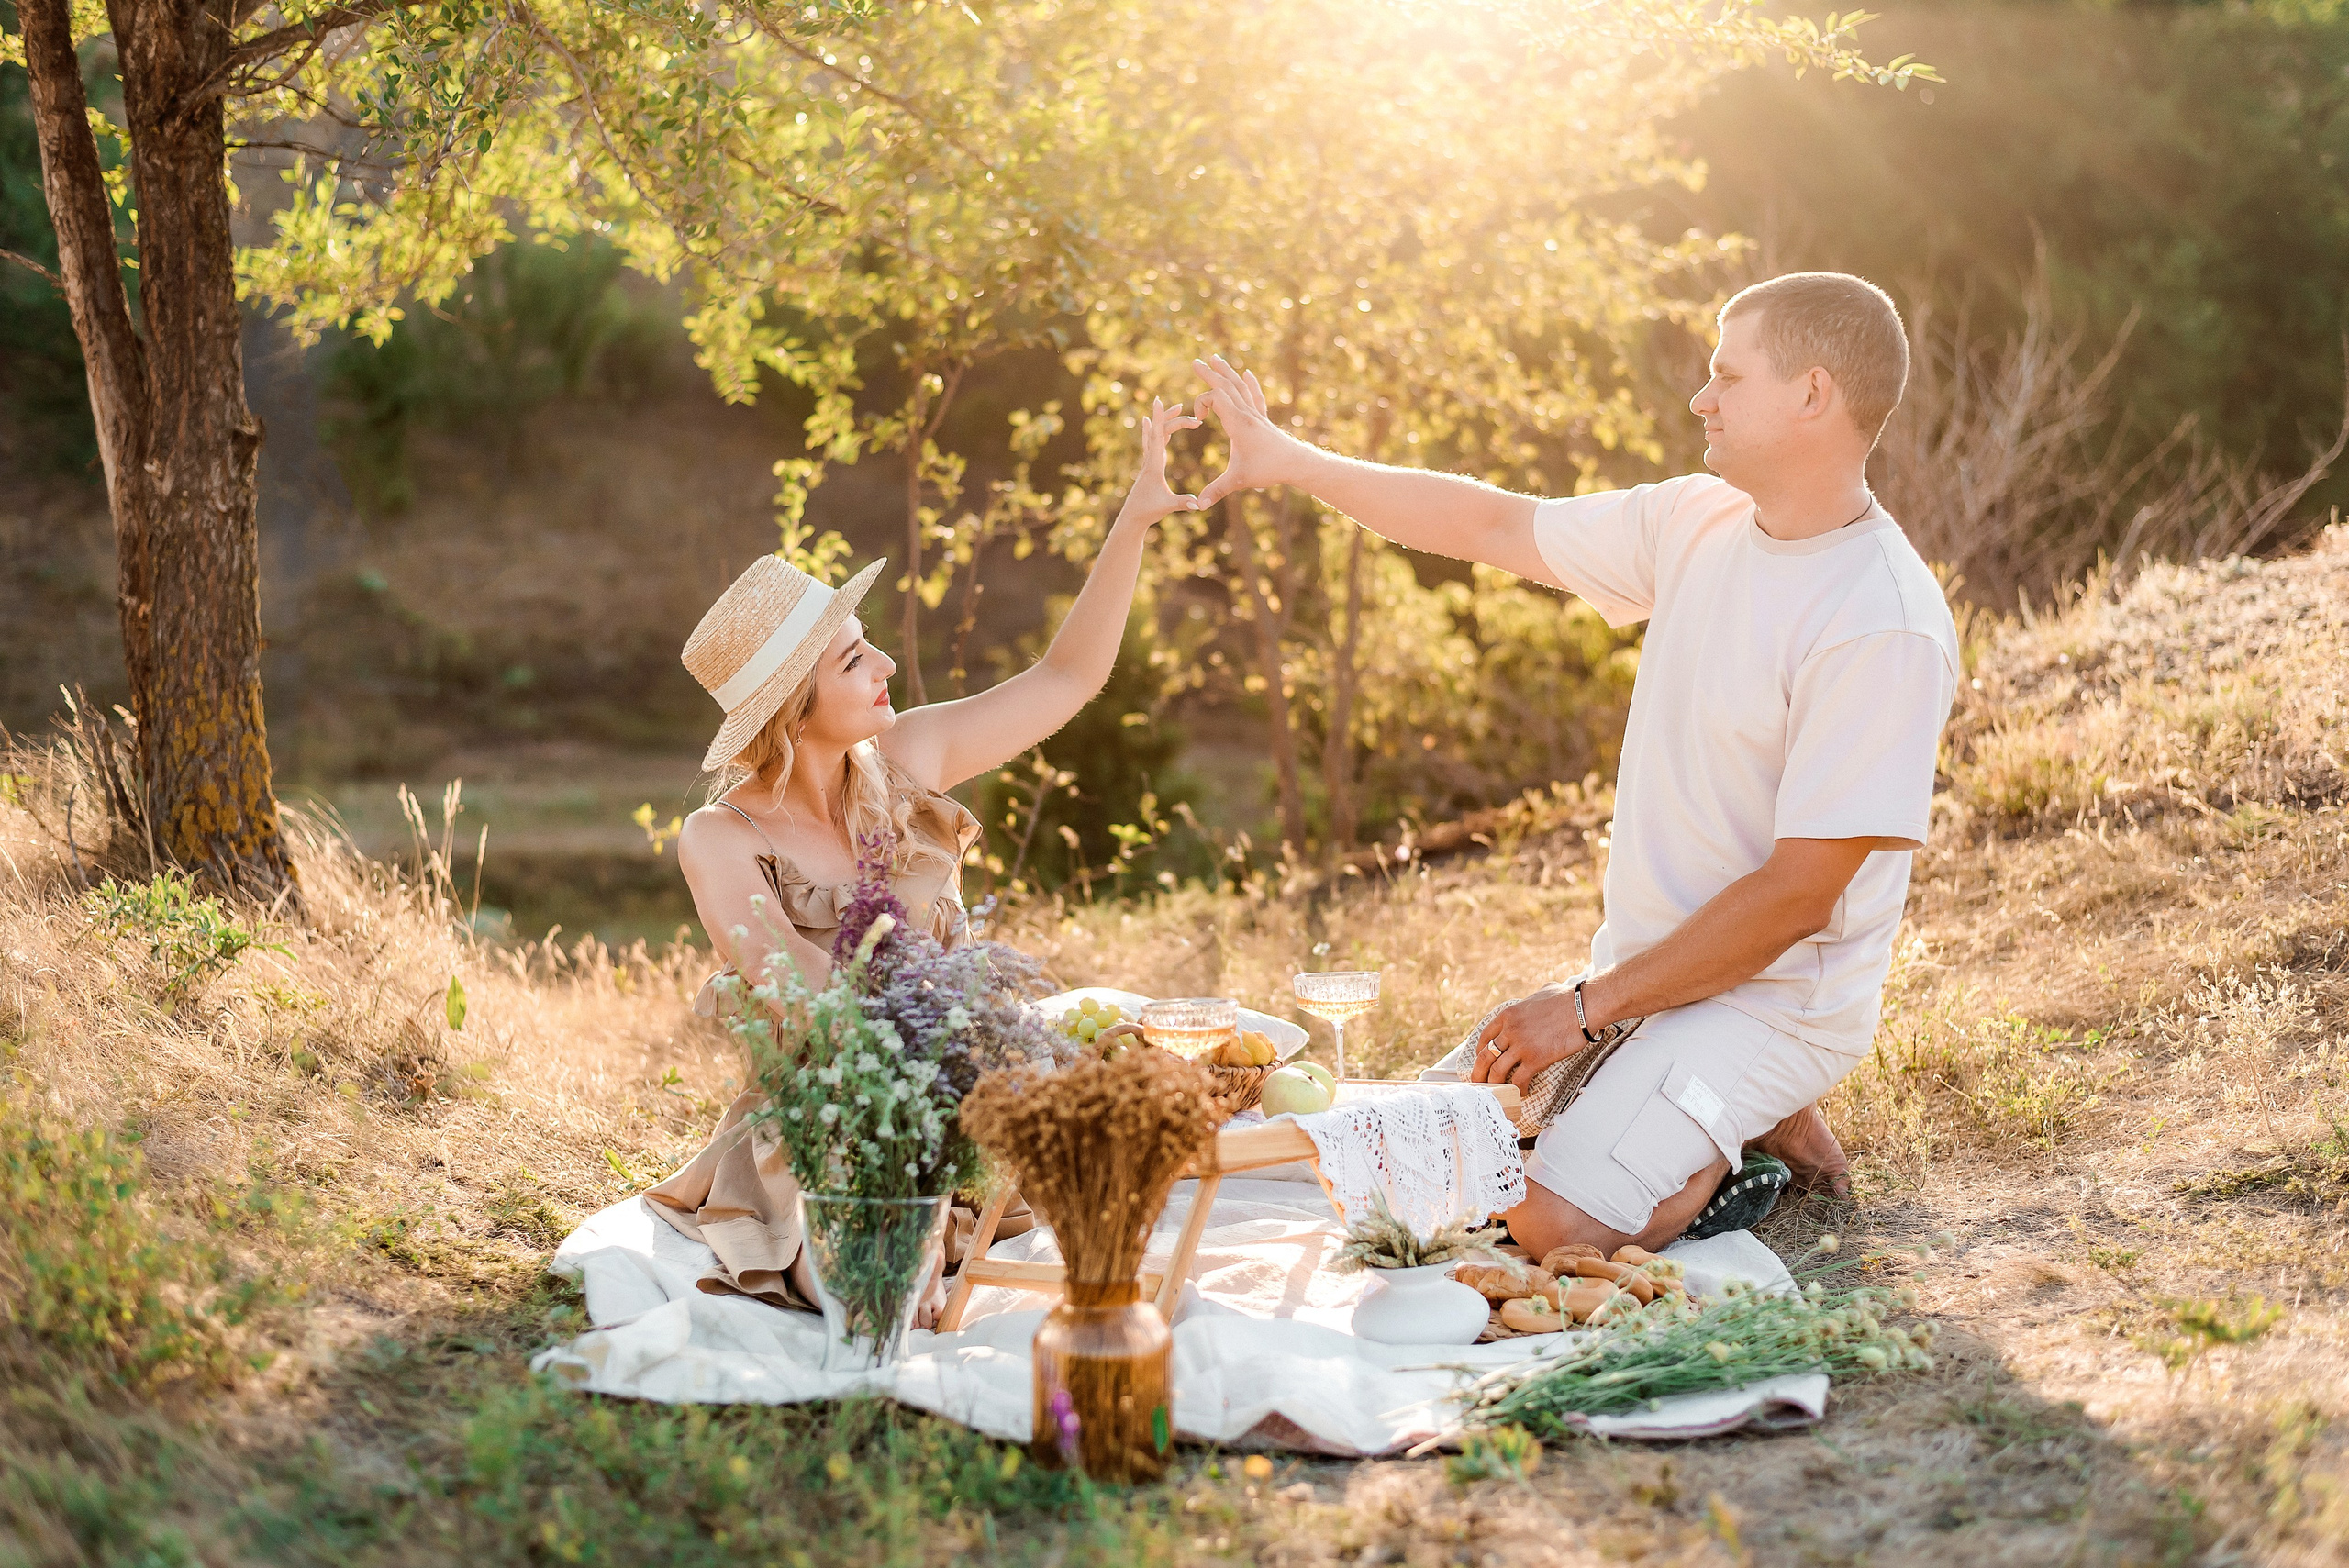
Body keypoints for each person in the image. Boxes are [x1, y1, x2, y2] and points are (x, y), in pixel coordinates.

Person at [1191, 272, 1959, 1259]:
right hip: (1646, 980)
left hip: (1773, 995)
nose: (1701, 398)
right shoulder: (1695, 521)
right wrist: (1292, 460)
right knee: (1404, 1156)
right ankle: (1723, 1106)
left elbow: (1799, 896)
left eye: (1727, 375)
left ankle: (1740, 1144)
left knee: (1545, 1226)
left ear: (1813, 394)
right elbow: (1493, 524)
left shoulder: (1879, 619)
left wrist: (1584, 1013)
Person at [644, 397, 1203, 1318]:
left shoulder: (908, 761)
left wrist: (1133, 518)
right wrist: (965, 1064)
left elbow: (1065, 678)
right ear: (793, 704)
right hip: (832, 1129)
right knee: (872, 1290)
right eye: (854, 662)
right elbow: (794, 985)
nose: (886, 669)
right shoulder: (721, 836)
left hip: (964, 1098)